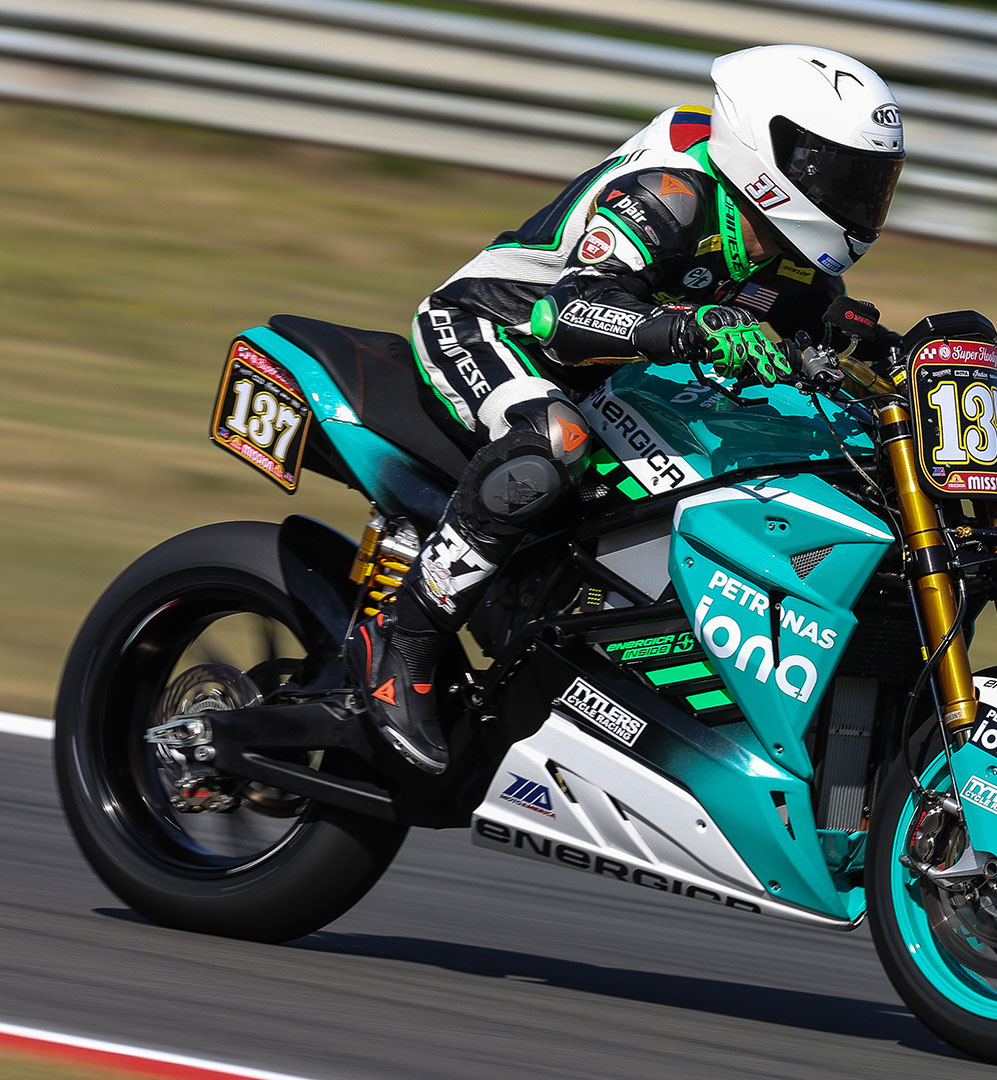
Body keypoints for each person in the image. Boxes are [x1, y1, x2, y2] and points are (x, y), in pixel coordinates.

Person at [353, 45, 907, 772]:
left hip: (611, 369)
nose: (858, 199)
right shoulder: (669, 195)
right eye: (837, 173)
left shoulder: (781, 243)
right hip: (498, 329)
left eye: (871, 181)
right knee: (555, 438)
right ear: (768, 152)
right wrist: (687, 327)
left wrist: (906, 363)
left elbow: (820, 323)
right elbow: (567, 310)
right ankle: (407, 631)